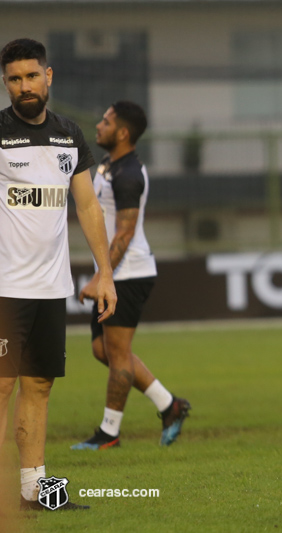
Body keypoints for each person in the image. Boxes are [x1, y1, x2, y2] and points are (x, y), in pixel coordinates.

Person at [0, 38, 117, 511]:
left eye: (31, 76)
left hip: (50, 288)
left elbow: (87, 204)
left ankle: (34, 491)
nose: (23, 86)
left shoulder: (70, 134)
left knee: (39, 386)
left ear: (49, 77)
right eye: (13, 79)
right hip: (3, 289)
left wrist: (105, 271)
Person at [71, 102, 191, 451]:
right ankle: (170, 405)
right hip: (112, 272)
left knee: (118, 353)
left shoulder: (130, 175)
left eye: (106, 121)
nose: (99, 124)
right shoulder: (110, 164)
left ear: (123, 132)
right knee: (101, 349)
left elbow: (123, 234)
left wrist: (101, 277)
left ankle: (109, 433)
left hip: (128, 272)